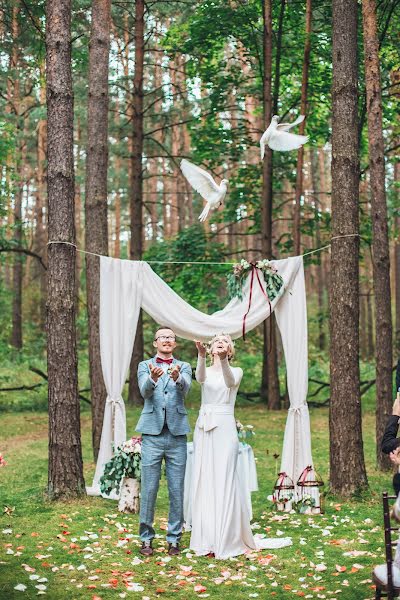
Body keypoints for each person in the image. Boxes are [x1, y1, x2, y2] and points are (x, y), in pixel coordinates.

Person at [189, 333, 291, 559]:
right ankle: (207, 536)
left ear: (230, 350)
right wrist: (200, 356)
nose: (220, 342)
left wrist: (224, 360)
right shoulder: (206, 366)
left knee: (225, 478)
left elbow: (229, 383)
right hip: (204, 426)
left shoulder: (236, 371)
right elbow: (200, 379)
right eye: (217, 340)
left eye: (225, 341)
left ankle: (226, 537)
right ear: (211, 346)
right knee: (205, 479)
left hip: (224, 427)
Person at [136, 326, 192, 557]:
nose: (167, 340)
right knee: (149, 489)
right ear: (155, 343)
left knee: (176, 489)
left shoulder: (184, 366)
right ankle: (146, 540)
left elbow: (186, 389)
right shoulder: (144, 365)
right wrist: (152, 378)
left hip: (177, 435)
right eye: (163, 337)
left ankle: (174, 540)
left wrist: (178, 377)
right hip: (152, 435)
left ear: (175, 343)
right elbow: (143, 391)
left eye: (171, 337)